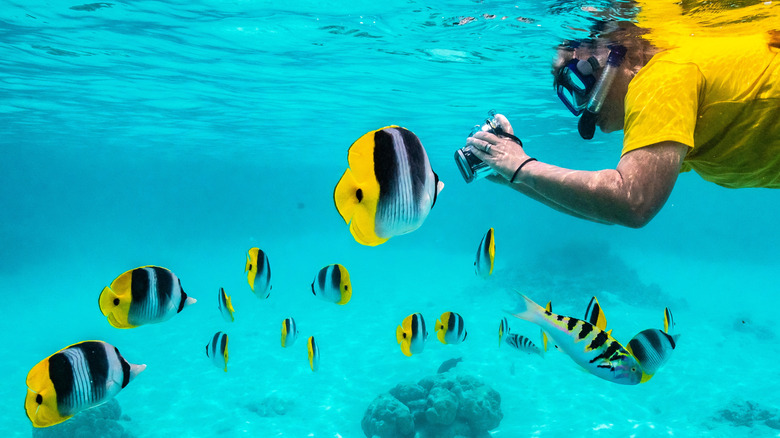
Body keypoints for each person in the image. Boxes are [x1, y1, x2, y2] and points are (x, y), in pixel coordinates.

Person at [466, 27, 780, 228]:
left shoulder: (660, 78)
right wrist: (513, 176)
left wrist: (520, 166)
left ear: (613, 57)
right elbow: (605, 211)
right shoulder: (668, 95)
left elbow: (632, 202)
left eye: (577, 79)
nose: (581, 99)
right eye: (568, 90)